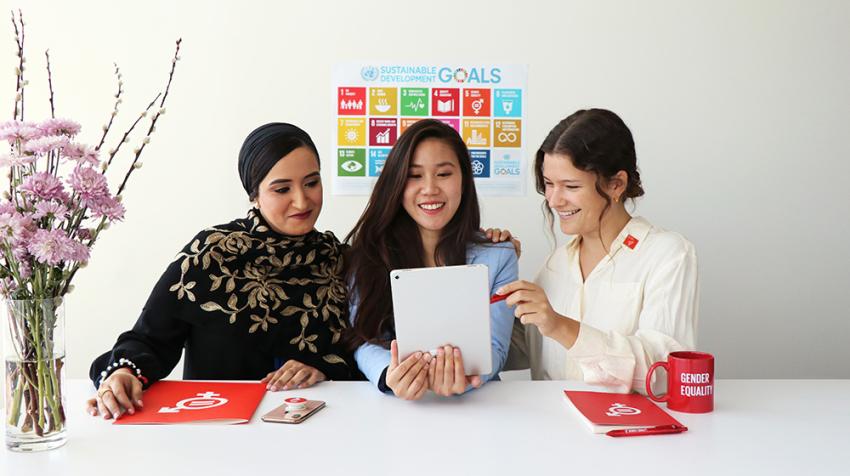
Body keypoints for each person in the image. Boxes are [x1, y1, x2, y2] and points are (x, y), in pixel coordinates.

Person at [87, 123, 359, 419]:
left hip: (322, 433)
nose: (302, 200)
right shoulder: (212, 255)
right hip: (218, 437)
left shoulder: (338, 260)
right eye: (282, 189)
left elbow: (363, 350)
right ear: (254, 193)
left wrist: (323, 366)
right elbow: (149, 339)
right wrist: (124, 373)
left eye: (311, 183)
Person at [499, 109, 699, 394]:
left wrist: (560, 326)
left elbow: (664, 375)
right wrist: (491, 271)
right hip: (553, 430)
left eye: (570, 186)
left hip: (630, 433)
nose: (554, 200)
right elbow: (521, 350)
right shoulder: (554, 265)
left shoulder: (668, 254)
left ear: (616, 184)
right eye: (548, 184)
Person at [345, 119, 517, 400]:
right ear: (397, 184)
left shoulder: (499, 255)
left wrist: (469, 374)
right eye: (415, 176)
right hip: (397, 408)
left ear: (464, 179)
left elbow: (496, 348)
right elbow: (360, 340)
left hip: (479, 405)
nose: (430, 188)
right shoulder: (368, 253)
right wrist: (390, 374)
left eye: (444, 174)